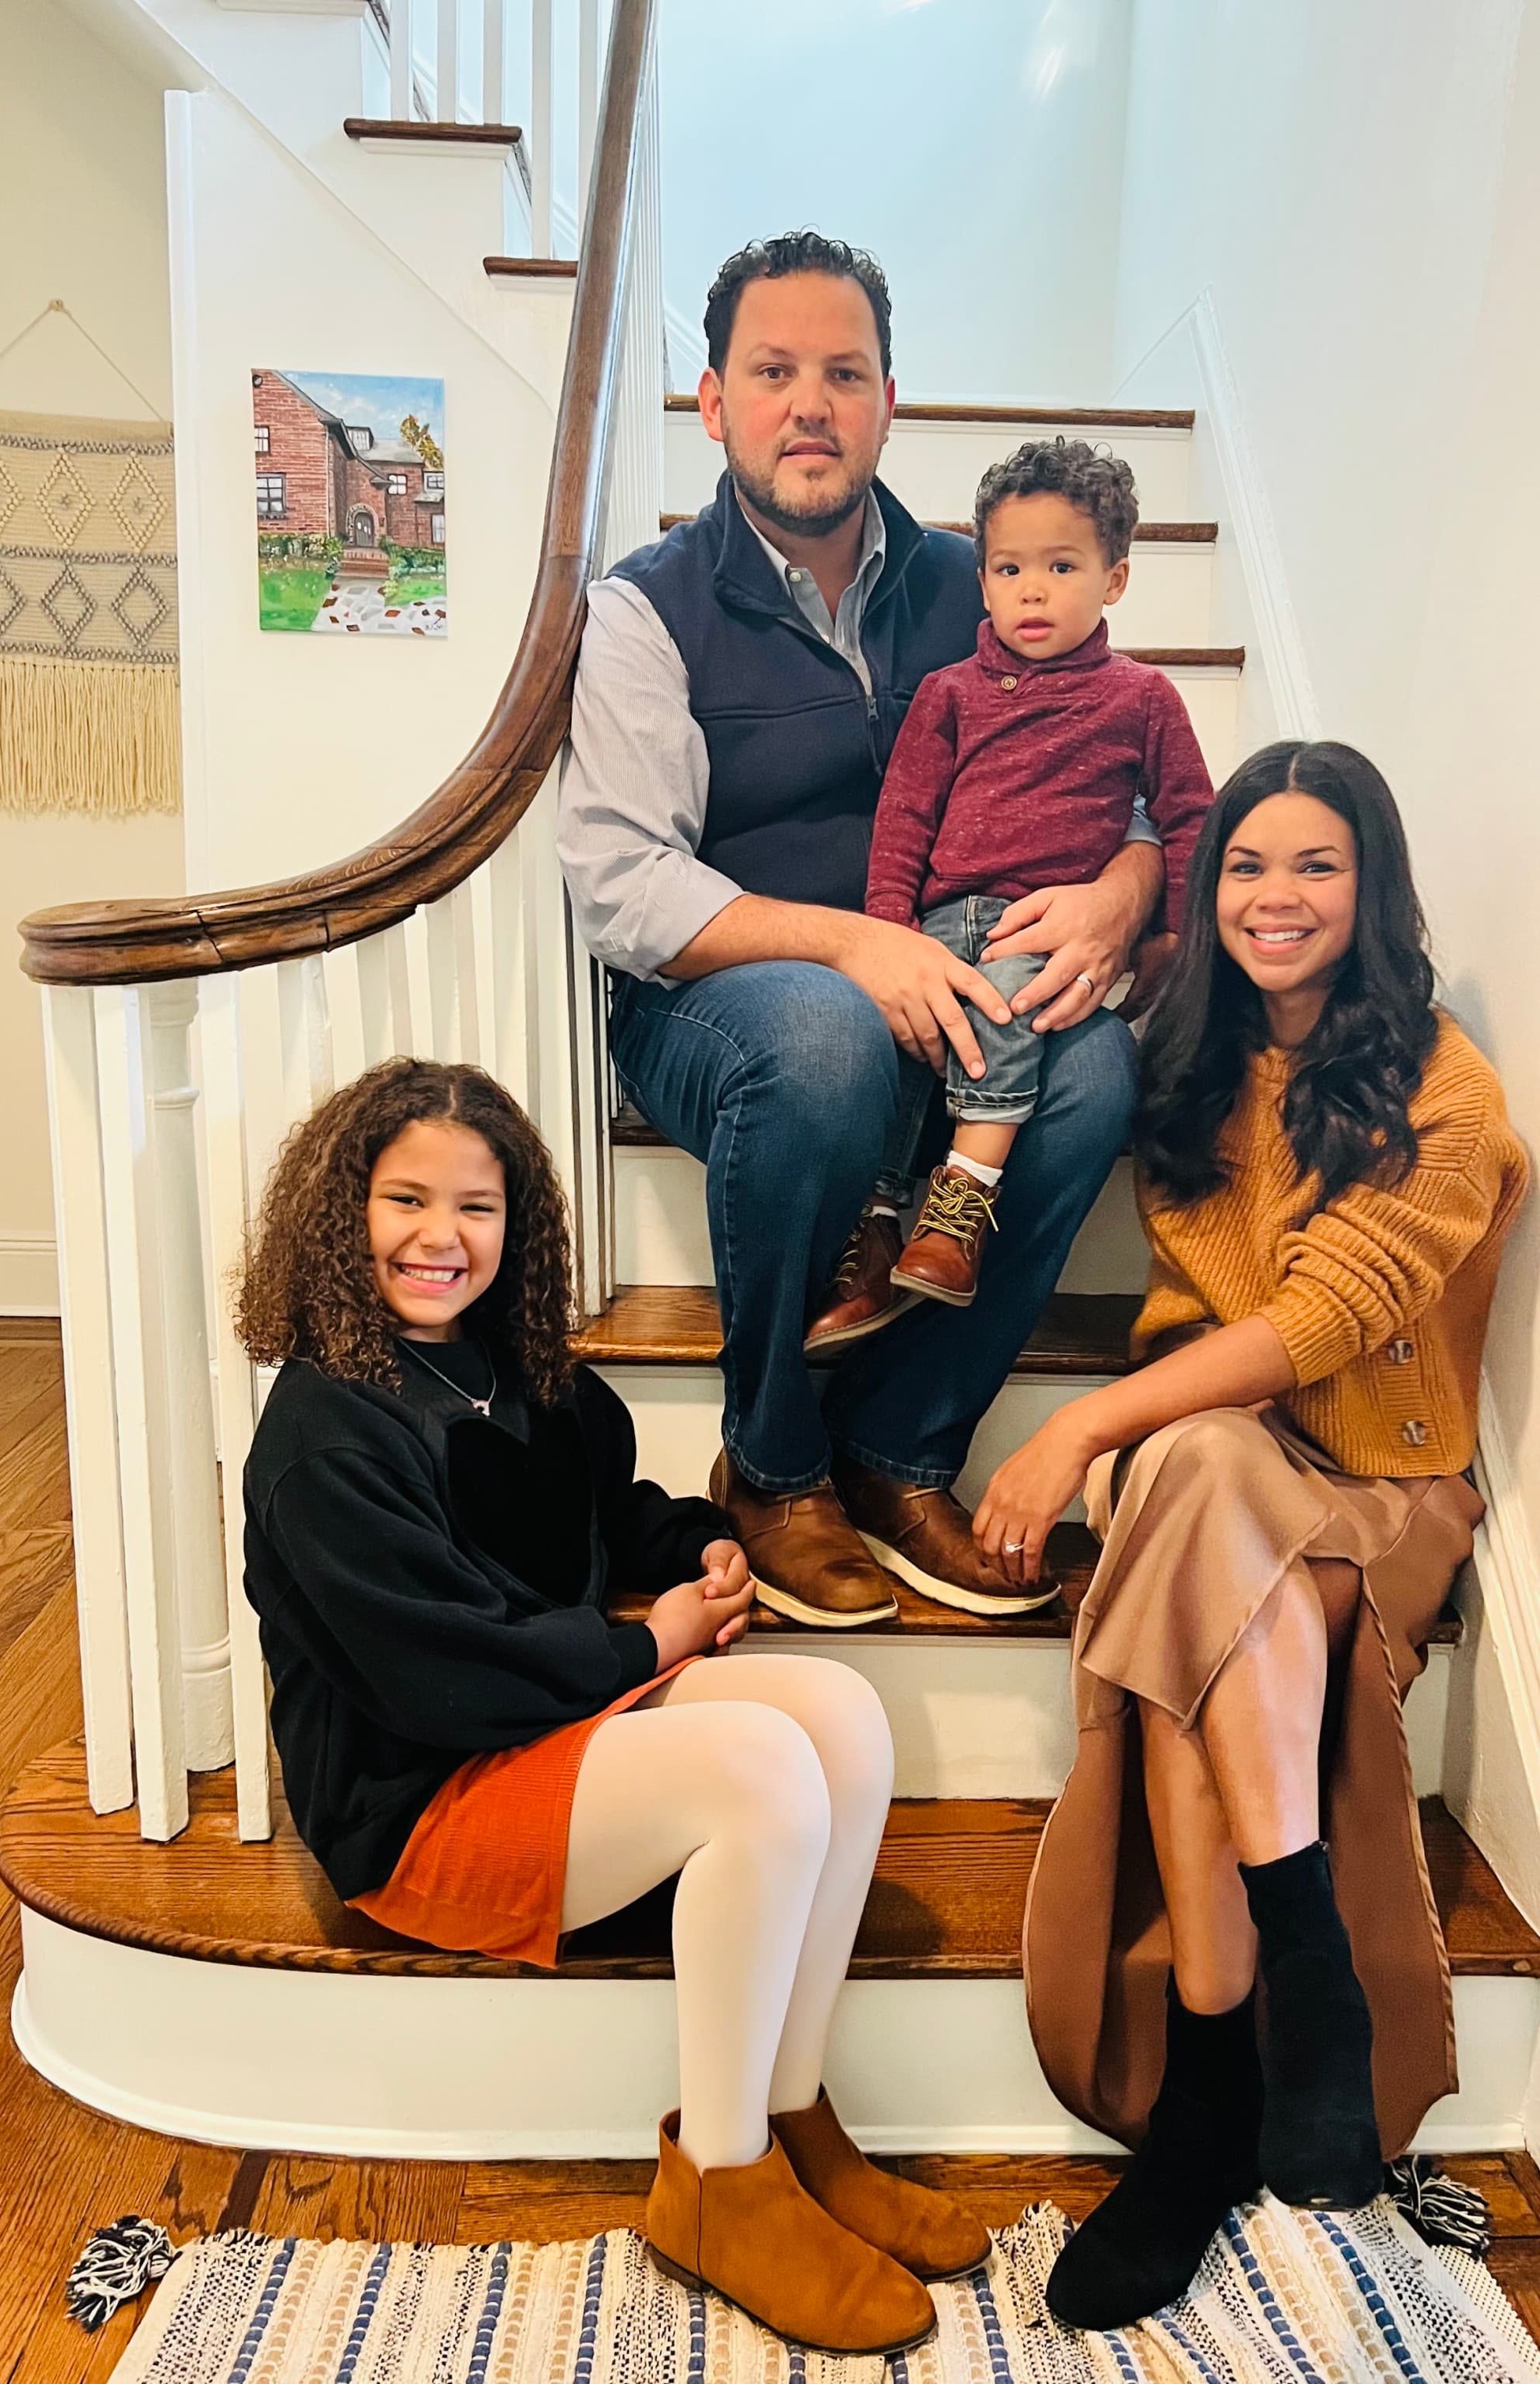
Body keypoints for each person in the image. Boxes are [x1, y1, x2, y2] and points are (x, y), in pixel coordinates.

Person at [236, 1058, 988, 2357]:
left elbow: (602, 1512)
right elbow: (441, 1673)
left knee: (840, 1717)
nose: (441, 1236)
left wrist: (701, 1547)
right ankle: (720, 2179)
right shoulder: (323, 1434)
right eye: (405, 1199)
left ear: (516, 1226)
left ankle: (793, 2113)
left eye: (478, 1207)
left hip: (541, 1734)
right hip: (422, 1797)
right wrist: (645, 1644)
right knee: (755, 1764)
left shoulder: (522, 1374)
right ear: (339, 1212)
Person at [967, 743, 1528, 2330]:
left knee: (1180, 1502)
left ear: (1372, 891)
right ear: (1208, 896)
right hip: (1221, 1458)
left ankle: (1210, 2084)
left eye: (1315, 867)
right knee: (1196, 1477)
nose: (1275, 899)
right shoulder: (1189, 1058)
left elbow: (1327, 1315)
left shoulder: (1446, 1082)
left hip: (1381, 1480)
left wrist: (1080, 1421)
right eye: (1245, 868)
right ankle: (1299, 1998)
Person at [559, 231, 1165, 1630]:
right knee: (831, 1043)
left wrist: (1130, 891)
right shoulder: (650, 609)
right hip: (730, 1005)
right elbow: (623, 885)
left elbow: (1138, 764)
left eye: (844, 371)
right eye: (772, 371)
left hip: (964, 978)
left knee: (1093, 1074)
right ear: (714, 401)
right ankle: (770, 1465)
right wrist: (851, 945)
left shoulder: (991, 583)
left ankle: (900, 1455)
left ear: (892, 398)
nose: (810, 404)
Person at [811, 437, 1211, 1336]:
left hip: (1046, 928)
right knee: (897, 1036)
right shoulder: (950, 694)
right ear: (982, 581)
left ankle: (962, 1204)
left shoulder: (1142, 698)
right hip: (940, 916)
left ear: (1114, 578)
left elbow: (1190, 817)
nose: (1032, 589)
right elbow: (904, 817)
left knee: (997, 1009)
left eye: (1061, 565)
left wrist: (1171, 937)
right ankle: (874, 1223)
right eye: (1009, 567)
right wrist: (887, 931)